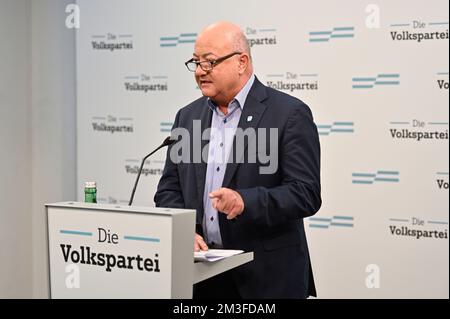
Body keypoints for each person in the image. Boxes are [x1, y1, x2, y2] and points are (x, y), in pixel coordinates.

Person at [154, 21, 321, 299]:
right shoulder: (188, 117)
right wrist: (183, 232)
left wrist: (246, 201)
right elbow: (169, 188)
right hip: (203, 279)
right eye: (195, 62)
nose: (199, 72)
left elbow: (306, 193)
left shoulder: (289, 114)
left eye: (209, 62)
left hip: (268, 280)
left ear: (241, 62)